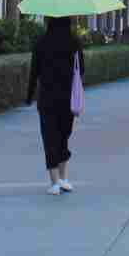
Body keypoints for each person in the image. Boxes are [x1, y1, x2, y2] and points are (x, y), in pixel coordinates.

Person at [25, 16, 87, 195]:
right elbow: (81, 69)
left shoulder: (41, 42)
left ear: (49, 21)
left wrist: (29, 96)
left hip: (47, 98)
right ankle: (64, 178)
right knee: (63, 137)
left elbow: (34, 71)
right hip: (68, 99)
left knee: (49, 138)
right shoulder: (74, 42)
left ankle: (54, 183)